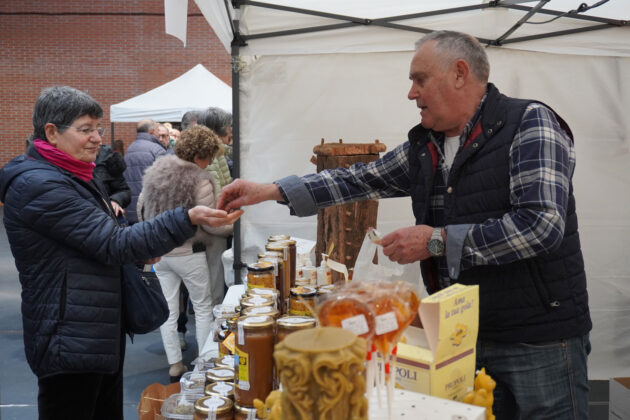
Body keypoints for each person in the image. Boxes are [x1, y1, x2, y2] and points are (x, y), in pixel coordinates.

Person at [218, 31, 592, 419]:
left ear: (460, 73)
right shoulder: (427, 145)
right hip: (463, 336)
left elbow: (540, 225)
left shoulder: (529, 123)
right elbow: (357, 179)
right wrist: (270, 190)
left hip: (540, 340)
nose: (411, 93)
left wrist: (436, 241)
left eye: (420, 79)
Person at [0, 86, 242, 420]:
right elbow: (112, 243)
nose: (97, 138)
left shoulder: (71, 177)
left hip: (92, 327)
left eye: (97, 128)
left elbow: (101, 240)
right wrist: (186, 218)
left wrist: (139, 248)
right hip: (69, 336)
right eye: (86, 129)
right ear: (52, 133)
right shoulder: (40, 184)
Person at [138, 124, 231, 381]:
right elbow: (209, 223)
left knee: (167, 309)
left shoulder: (156, 171)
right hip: (191, 252)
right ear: (200, 154)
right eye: (210, 156)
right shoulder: (200, 179)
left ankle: (175, 365)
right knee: (203, 307)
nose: (211, 161)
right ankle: (203, 364)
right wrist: (233, 226)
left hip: (162, 253)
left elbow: (141, 208)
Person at [123, 118, 166, 224]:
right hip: (151, 213)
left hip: (130, 211)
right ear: (151, 131)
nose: (159, 135)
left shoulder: (129, 149)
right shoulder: (157, 150)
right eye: (157, 130)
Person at [93, 143, 131, 225]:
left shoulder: (108, 157)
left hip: (107, 221)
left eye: (99, 132)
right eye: (85, 130)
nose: (98, 140)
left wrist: (115, 200)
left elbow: (124, 190)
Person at [199, 107, 234, 181]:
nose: (230, 131)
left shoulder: (218, 151)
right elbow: (216, 190)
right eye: (228, 126)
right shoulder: (209, 154)